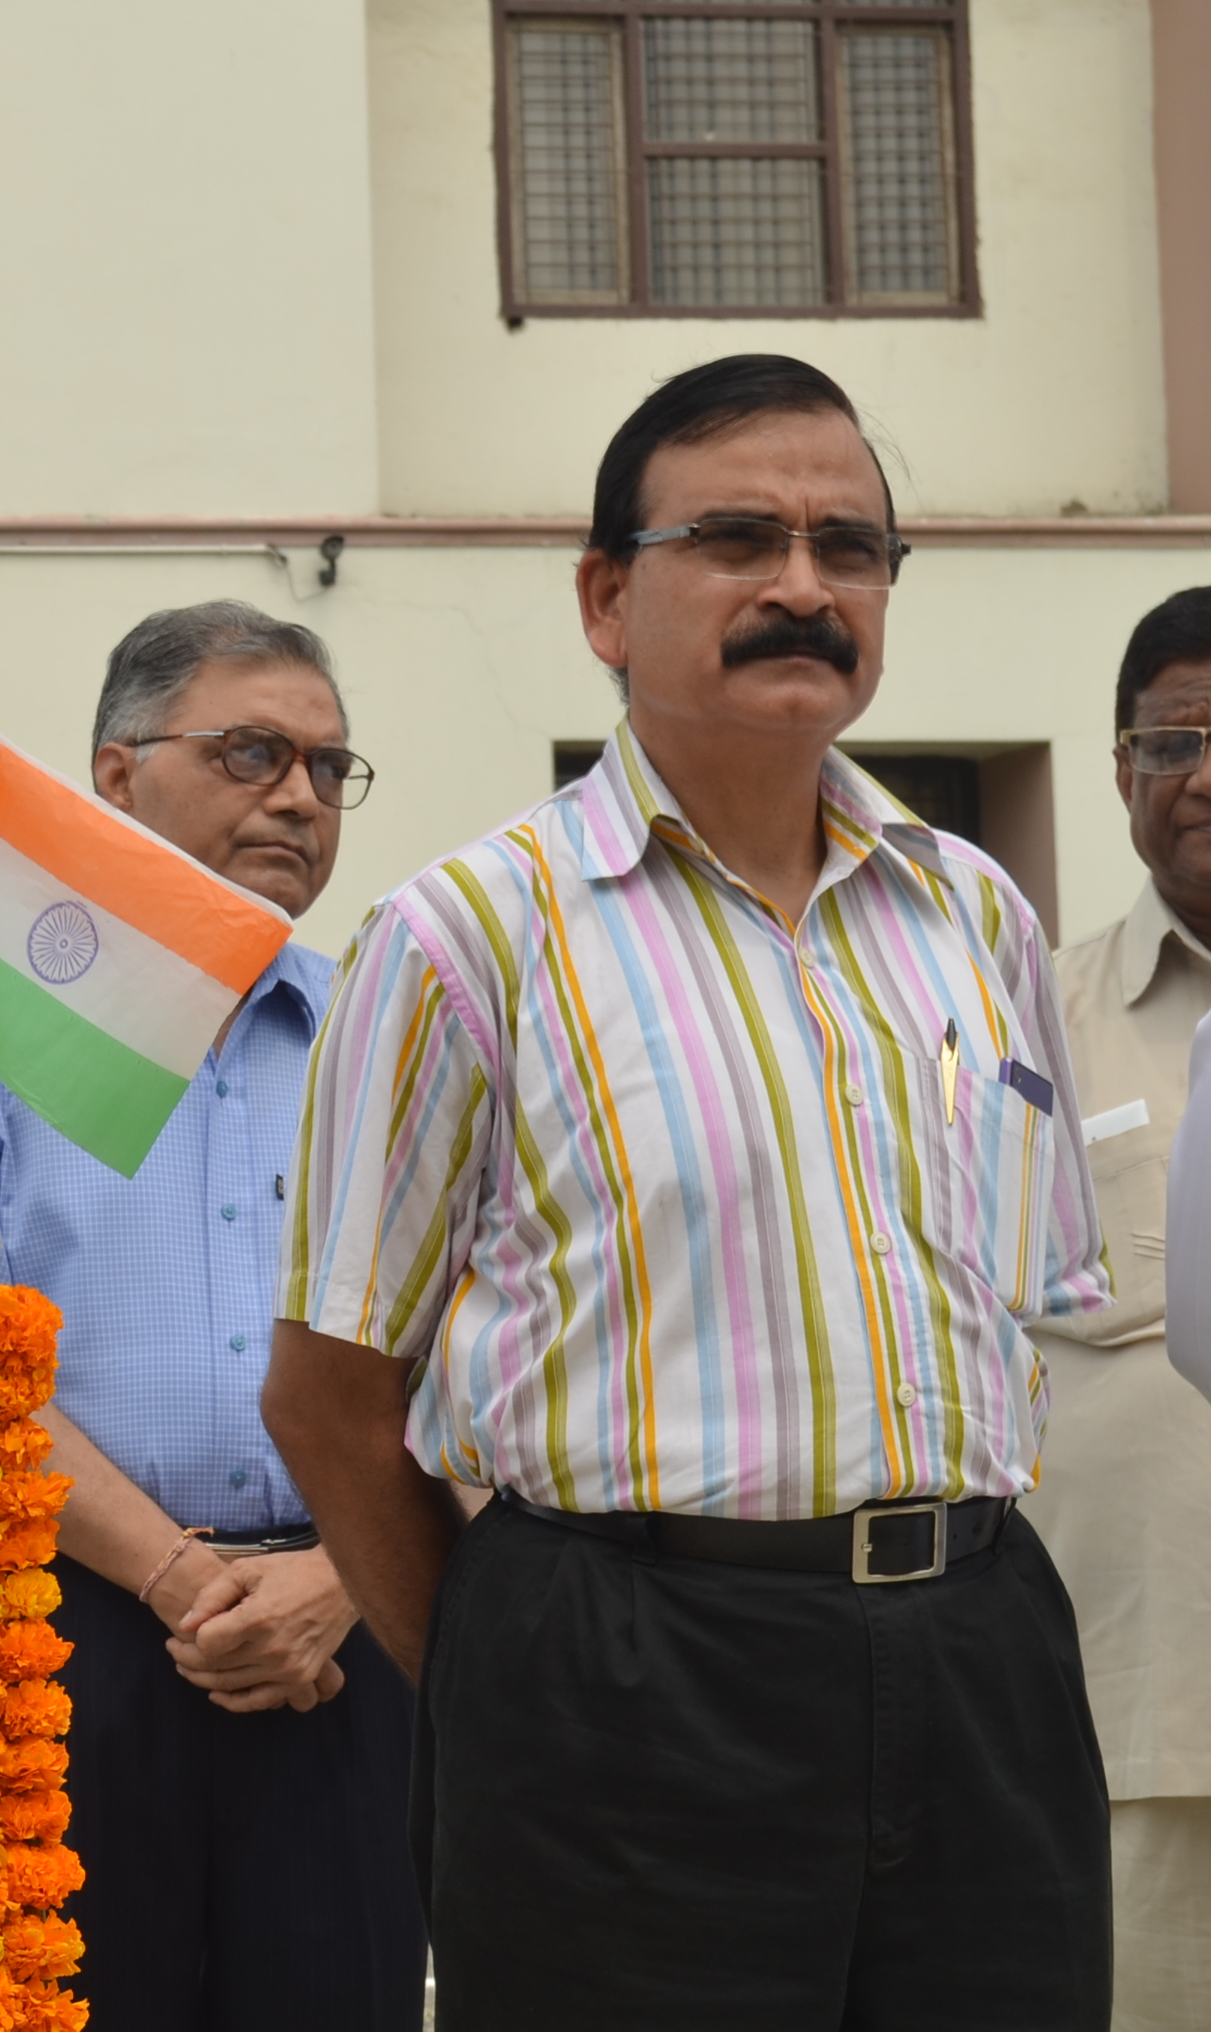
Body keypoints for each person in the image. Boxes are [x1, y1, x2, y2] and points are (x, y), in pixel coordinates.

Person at [265, 355, 1116, 2028]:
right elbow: (330, 1397)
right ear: (607, 598)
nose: (804, 586)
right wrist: (521, 1683)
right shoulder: (469, 935)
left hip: (980, 1665)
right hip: (621, 1687)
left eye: (849, 547)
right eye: (736, 539)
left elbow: (1023, 1302)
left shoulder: (976, 914)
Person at [0, 600, 414, 2032]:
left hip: (345, 1636)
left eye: (328, 767)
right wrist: (178, 1579)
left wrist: (340, 1579)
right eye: (251, 752)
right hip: (77, 1638)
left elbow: (473, 1357)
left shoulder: (377, 1030)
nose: (298, 797)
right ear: (117, 776)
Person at [1046, 589, 1211, 2025]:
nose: (1204, 775)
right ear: (1121, 771)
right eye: (1174, 741)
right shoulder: (1031, 1021)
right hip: (1143, 1724)